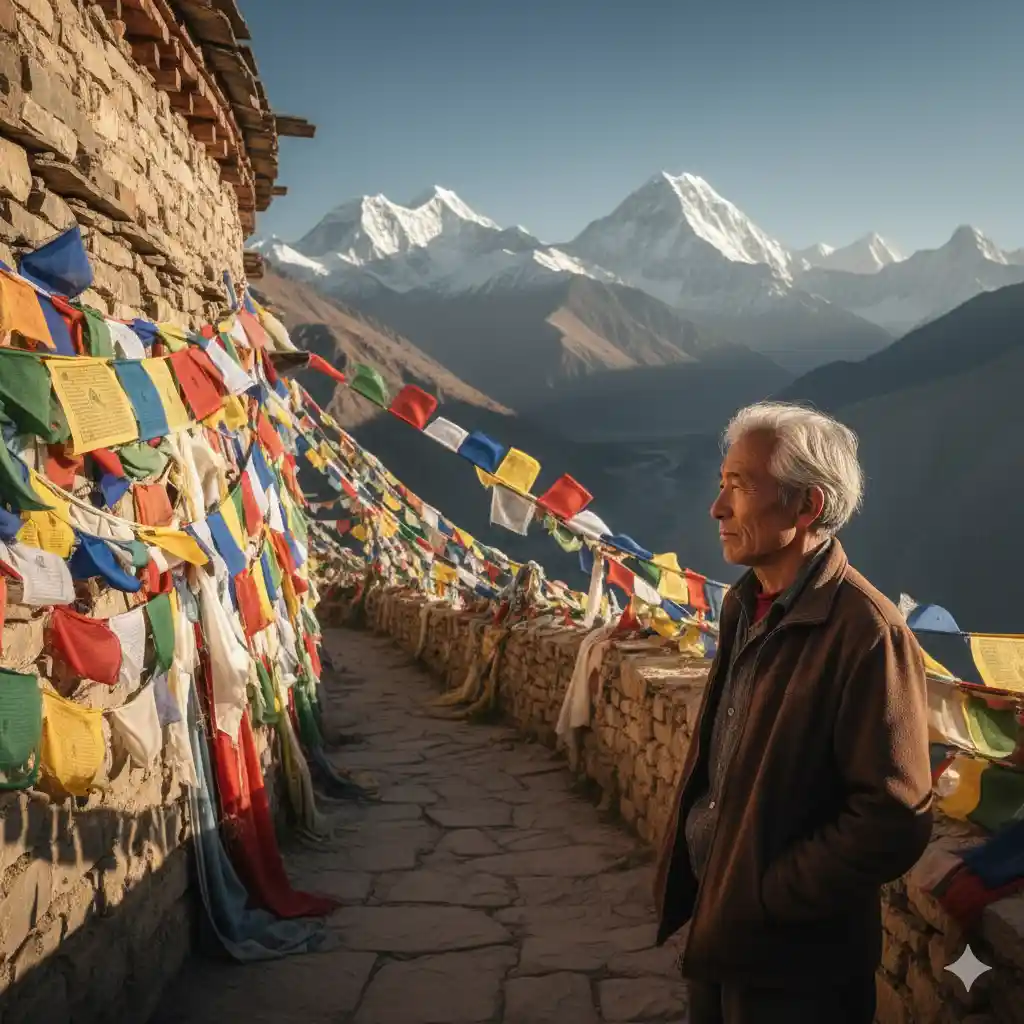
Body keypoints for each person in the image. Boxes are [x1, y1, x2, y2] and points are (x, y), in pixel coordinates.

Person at [654, 402, 933, 1024]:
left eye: (740, 487)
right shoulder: (745, 606)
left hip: (797, 968)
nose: (717, 508)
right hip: (720, 925)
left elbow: (892, 817)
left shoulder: (865, 632)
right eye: (721, 483)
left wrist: (769, 892)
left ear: (807, 506)